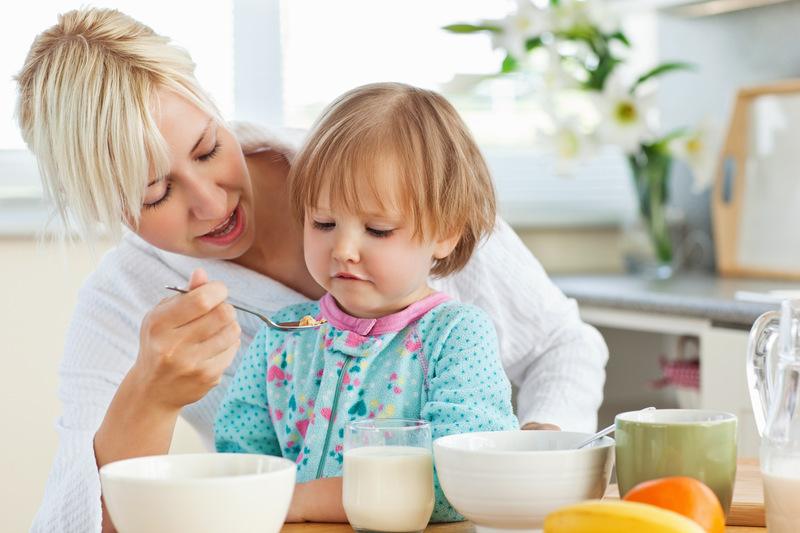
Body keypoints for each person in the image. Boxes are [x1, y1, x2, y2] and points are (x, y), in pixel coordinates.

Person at [15, 7, 607, 533]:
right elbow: (70, 520)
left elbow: (560, 345)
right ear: (103, 205)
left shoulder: (393, 166)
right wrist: (149, 399)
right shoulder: (125, 299)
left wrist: (527, 460)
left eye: (205, 150)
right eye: (154, 193)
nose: (212, 203)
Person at [214, 82, 520, 522]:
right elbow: (239, 462)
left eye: (377, 230)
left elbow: (465, 479)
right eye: (323, 222)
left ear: (445, 231)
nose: (343, 249)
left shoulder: (455, 336)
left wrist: (300, 503)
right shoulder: (281, 336)